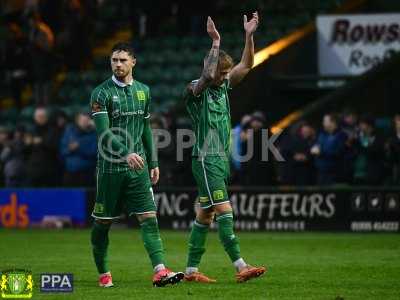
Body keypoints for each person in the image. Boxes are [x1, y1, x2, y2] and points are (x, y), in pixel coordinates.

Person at [89, 42, 183, 288]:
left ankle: (160, 271)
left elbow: (145, 129)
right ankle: (103, 273)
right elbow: (104, 134)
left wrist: (153, 162)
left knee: (148, 218)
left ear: (133, 63)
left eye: (122, 60)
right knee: (103, 223)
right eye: (114, 60)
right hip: (111, 169)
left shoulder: (144, 91)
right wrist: (125, 153)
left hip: (138, 167)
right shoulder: (101, 93)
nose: (118, 64)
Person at [183, 14, 266, 283]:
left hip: (219, 157)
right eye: (222, 72)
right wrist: (215, 42)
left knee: (205, 214)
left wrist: (249, 36)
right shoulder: (196, 90)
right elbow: (207, 75)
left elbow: (247, 65)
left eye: (226, 73)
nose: (225, 76)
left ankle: (191, 272)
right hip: (206, 158)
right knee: (224, 211)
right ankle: (241, 265)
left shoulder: (223, 87)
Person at [60, 112, 97, 187]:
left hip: (87, 172)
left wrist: (78, 148)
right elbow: (62, 150)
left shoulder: (94, 134)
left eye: (86, 121)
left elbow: (94, 152)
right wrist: (70, 149)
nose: (84, 123)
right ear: (77, 121)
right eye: (82, 121)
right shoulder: (69, 131)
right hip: (70, 172)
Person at [311, 114, 347, 185]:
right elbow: (317, 145)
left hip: (334, 174)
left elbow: (338, 152)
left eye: (325, 121)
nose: (323, 123)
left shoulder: (341, 135)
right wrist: (314, 148)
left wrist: (321, 152)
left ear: (333, 122)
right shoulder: (322, 134)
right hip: (320, 172)